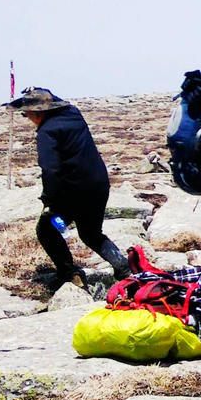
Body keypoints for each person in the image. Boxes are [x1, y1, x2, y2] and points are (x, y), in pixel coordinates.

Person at [7, 88, 129, 292]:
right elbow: (58, 101)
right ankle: (124, 268)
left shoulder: (47, 132)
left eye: (26, 113)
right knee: (91, 234)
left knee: (47, 229)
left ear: (38, 112)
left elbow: (51, 170)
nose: (26, 117)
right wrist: (39, 92)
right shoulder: (73, 114)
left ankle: (70, 274)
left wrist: (50, 201)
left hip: (72, 194)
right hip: (98, 186)